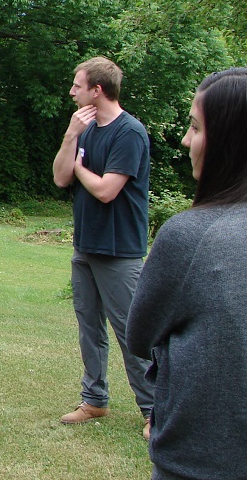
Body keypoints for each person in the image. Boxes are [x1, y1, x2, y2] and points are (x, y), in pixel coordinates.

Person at [126, 68, 247, 479]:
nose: (185, 140)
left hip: (205, 458)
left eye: (195, 127)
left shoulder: (192, 235)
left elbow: (140, 335)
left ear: (231, 140)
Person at [52, 56, 155, 438]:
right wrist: (70, 137)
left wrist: (80, 166)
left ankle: (154, 409)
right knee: (89, 327)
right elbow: (61, 178)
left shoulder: (129, 132)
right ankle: (94, 400)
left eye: (77, 86)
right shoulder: (86, 129)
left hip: (120, 250)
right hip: (86, 245)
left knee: (131, 331)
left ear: (97, 90)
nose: (72, 92)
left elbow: (106, 190)